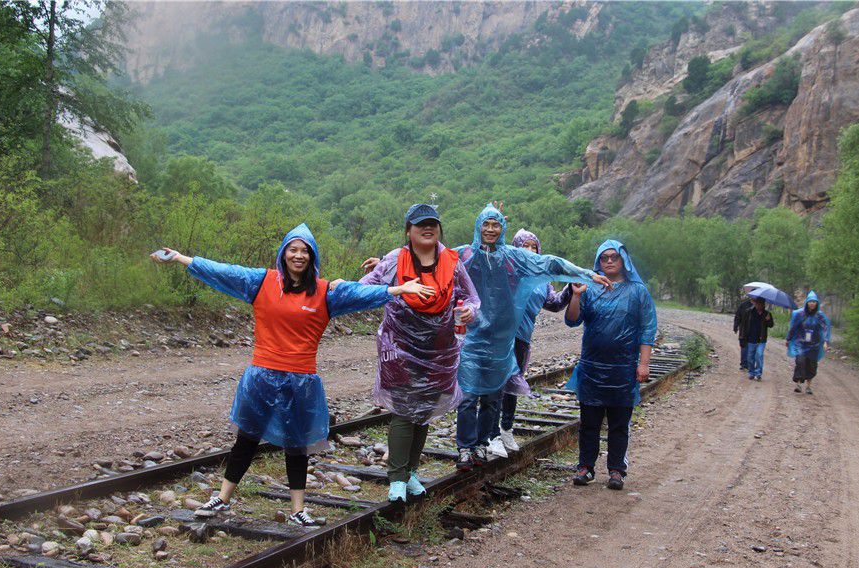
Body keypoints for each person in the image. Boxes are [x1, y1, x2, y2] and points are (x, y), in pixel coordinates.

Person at [150, 223, 433, 526]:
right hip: (261, 377)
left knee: (296, 445)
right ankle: (222, 498)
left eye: (304, 251)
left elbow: (359, 293)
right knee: (246, 440)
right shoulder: (261, 282)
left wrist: (397, 289)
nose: (298, 255)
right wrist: (181, 258)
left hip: (300, 381)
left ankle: (297, 510)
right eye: (293, 250)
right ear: (283, 253)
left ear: (312, 257)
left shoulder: (325, 292)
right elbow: (224, 272)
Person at [452, 204, 610, 470]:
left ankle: (481, 443)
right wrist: (388, 266)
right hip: (472, 337)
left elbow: (550, 263)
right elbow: (430, 258)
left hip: (501, 340)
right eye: (486, 224)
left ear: (502, 228)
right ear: (478, 226)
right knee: (468, 396)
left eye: (496, 224)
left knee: (492, 396)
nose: (490, 229)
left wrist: (586, 274)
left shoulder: (513, 257)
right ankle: (465, 448)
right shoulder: (464, 254)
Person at [358, 204, 480, 503]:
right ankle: (397, 478)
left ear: (439, 229)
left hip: (438, 349)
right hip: (400, 347)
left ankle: (411, 472)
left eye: (432, 224)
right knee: (403, 409)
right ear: (408, 231)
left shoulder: (452, 263)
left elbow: (471, 298)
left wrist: (468, 311)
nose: (428, 228)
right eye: (420, 224)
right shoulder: (394, 260)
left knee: (424, 411)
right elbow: (364, 289)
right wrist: (392, 288)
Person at [565, 240, 656, 491]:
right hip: (592, 367)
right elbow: (572, 320)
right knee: (589, 423)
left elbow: (648, 328)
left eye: (613, 257)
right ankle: (585, 467)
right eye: (603, 257)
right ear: (598, 261)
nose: (608, 261)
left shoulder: (638, 291)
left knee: (619, 424)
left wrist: (643, 364)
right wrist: (576, 295)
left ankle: (616, 470)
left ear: (623, 260)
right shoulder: (589, 288)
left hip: (623, 369)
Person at [498, 229, 573, 452]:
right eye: (525, 246)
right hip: (499, 335)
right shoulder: (506, 270)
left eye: (534, 247)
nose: (531, 250)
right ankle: (489, 434)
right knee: (494, 384)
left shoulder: (542, 280)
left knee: (513, 384)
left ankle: (506, 429)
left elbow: (554, 304)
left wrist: (571, 287)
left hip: (522, 338)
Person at [786, 290, 831, 394]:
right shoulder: (800, 314)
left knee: (811, 366)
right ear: (807, 302)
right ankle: (798, 384)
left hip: (814, 345)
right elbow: (793, 327)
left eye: (814, 302)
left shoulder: (820, 316)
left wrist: (825, 341)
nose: (812, 304)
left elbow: (825, 328)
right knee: (800, 362)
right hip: (801, 344)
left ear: (817, 303)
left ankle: (808, 386)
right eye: (810, 301)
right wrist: (788, 339)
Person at [740, 297, 774, 381]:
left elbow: (771, 325)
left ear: (764, 304)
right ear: (755, 303)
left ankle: (758, 373)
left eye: (761, 304)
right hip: (751, 338)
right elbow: (743, 325)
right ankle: (751, 372)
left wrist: (768, 320)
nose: (759, 305)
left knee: (759, 355)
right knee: (750, 357)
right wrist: (742, 337)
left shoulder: (767, 314)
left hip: (761, 339)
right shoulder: (749, 312)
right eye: (758, 303)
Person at [733, 295, 754, 370]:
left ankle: (749, 364)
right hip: (744, 330)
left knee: (751, 348)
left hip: (754, 331)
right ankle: (744, 364)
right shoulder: (743, 305)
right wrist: (735, 326)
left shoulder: (759, 306)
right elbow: (738, 316)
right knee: (744, 346)